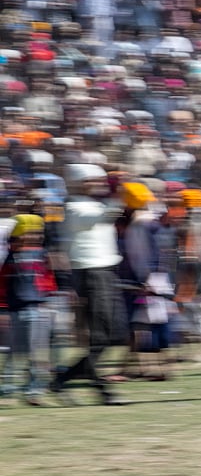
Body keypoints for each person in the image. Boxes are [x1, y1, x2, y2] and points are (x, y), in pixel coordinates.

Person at [50, 164, 128, 406]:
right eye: (92, 180)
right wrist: (119, 193)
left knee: (115, 335)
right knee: (100, 338)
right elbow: (103, 216)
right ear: (78, 182)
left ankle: (62, 380)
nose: (99, 184)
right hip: (91, 273)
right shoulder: (73, 207)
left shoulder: (94, 204)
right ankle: (100, 391)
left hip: (105, 272)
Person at [0, 214, 57, 406]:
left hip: (38, 308)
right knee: (14, 352)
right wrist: (3, 309)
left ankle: (34, 391)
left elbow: (48, 278)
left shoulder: (41, 254)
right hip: (16, 310)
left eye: (36, 234)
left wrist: (49, 297)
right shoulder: (10, 257)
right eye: (28, 234)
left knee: (36, 353)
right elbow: (3, 285)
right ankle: (7, 387)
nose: (32, 237)